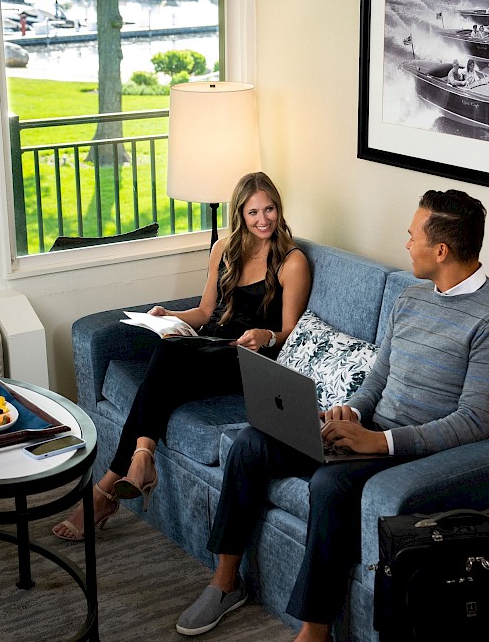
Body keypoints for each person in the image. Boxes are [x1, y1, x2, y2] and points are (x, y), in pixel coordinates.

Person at [175, 189, 489, 642]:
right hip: (372, 427)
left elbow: (473, 423)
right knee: (253, 442)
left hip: (415, 454)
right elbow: (377, 382)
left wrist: (377, 441)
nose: (406, 243)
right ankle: (226, 582)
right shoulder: (411, 296)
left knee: (331, 483)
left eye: (413, 235)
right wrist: (349, 413)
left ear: (443, 251)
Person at [52, 172, 311, 541]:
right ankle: (133, 465)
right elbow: (206, 311)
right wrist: (171, 316)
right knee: (163, 377)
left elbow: (291, 334)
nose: (263, 219)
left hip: (253, 361)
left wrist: (266, 335)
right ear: (240, 213)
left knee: (166, 362)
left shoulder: (291, 261)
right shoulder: (224, 248)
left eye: (269, 209)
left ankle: (111, 484)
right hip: (212, 348)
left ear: (278, 208)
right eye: (253, 212)